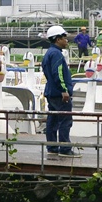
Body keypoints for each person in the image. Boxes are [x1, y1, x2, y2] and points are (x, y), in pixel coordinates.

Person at [42, 25, 75, 155]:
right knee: (65, 120)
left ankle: (52, 147)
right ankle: (65, 149)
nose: (66, 40)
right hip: (59, 94)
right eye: (64, 38)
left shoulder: (49, 53)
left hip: (51, 92)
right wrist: (64, 90)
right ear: (57, 39)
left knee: (52, 120)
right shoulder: (57, 54)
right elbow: (58, 73)